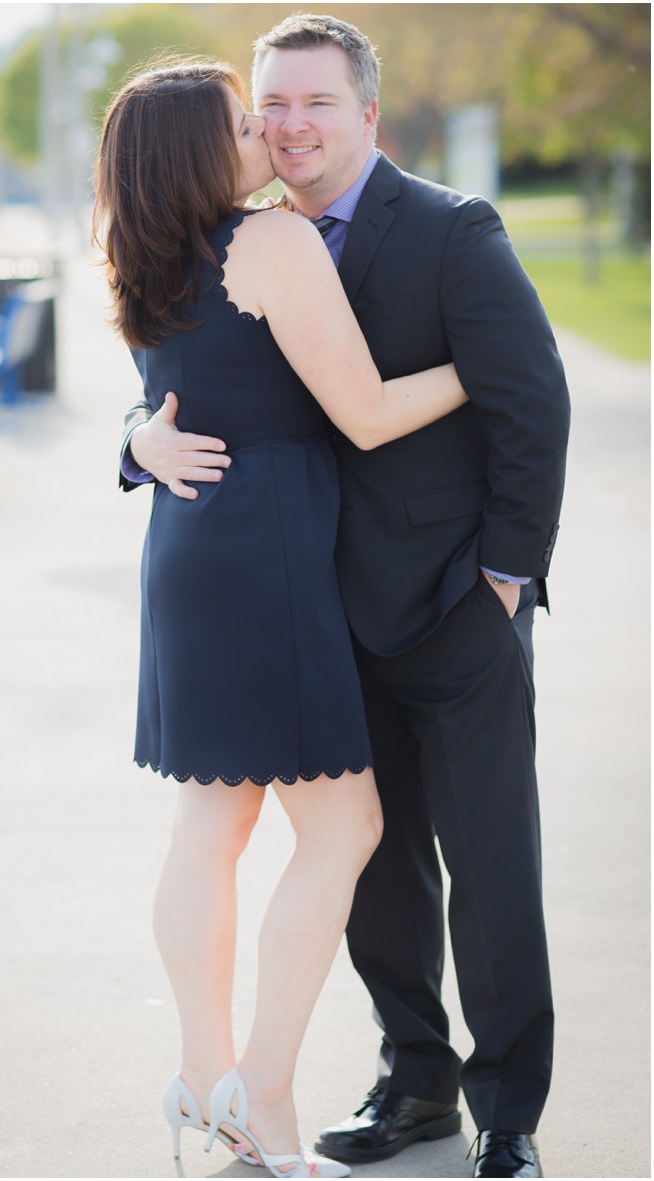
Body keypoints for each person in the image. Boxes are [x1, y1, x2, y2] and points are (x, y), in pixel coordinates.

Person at [120, 17, 568, 1180]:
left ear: (368, 110)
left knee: (475, 861)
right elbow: (313, 407)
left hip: (437, 601)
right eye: (263, 107)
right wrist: (133, 439)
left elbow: (534, 407)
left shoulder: (443, 231)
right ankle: (376, 1083)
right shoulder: (254, 238)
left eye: (309, 103)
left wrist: (506, 580)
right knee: (365, 855)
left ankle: (492, 1108)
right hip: (297, 592)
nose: (282, 124)